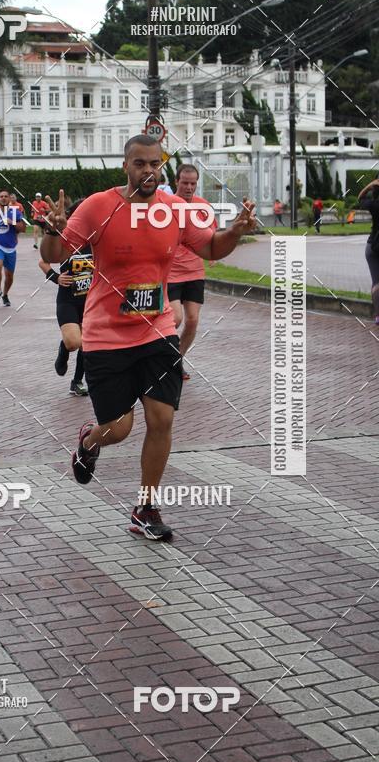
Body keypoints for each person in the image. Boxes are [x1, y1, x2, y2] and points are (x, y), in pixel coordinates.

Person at [41, 135, 256, 542]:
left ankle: (145, 506)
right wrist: (52, 229)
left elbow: (210, 247)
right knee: (119, 429)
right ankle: (89, 441)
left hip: (156, 332)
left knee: (162, 419)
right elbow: (55, 252)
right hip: (106, 336)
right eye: (140, 163)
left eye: (155, 164)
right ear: (126, 166)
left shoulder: (174, 209)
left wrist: (235, 231)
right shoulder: (99, 207)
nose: (148, 171)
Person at [167, 164, 216, 382]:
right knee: (174, 319)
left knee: (193, 320)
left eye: (193, 183)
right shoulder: (165, 205)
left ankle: (177, 361)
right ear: (176, 181)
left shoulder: (203, 206)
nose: (189, 187)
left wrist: (213, 253)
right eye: (185, 183)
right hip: (170, 273)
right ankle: (161, 359)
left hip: (194, 271)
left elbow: (212, 235)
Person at [39, 197, 91, 396]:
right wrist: (57, 277)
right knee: (73, 342)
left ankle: (77, 381)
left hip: (91, 302)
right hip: (68, 300)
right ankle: (63, 349)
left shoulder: (96, 239)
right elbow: (43, 262)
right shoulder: (67, 237)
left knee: (87, 343)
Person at [0, 189, 25, 306]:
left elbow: (23, 228)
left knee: (9, 276)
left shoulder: (16, 212)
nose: (3, 198)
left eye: (6, 196)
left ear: (9, 199)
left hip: (11, 247)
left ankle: (5, 294)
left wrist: (12, 222)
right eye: (1, 196)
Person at [357, 178, 379, 324]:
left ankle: (378, 315)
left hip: (373, 245)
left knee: (376, 282)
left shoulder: (374, 204)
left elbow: (360, 198)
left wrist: (370, 185)